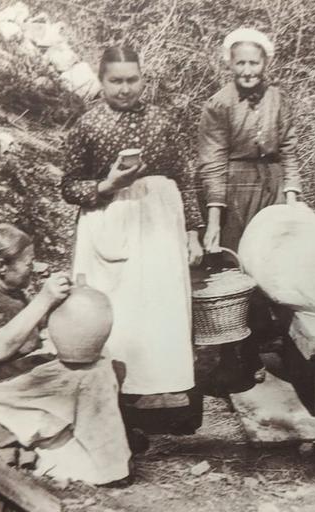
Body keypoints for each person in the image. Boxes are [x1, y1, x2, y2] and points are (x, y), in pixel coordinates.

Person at [61, 46, 204, 437]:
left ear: (143, 79)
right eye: (115, 81)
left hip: (160, 222)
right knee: (116, 311)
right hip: (109, 221)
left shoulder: (163, 120)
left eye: (132, 80)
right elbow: (69, 186)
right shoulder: (88, 126)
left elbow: (184, 176)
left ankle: (164, 403)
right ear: (101, 81)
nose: (125, 89)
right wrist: (107, 185)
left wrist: (193, 231)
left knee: (161, 309)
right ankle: (114, 400)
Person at [0, 223, 131, 485]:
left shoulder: (7, 290)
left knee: (101, 359)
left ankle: (107, 444)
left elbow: (32, 331)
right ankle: (110, 468)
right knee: (89, 376)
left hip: (6, 379)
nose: (34, 267)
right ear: (1, 266)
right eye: (28, 262)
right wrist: (45, 299)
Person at [196, 27, 302, 391]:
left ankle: (275, 343)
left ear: (266, 63)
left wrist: (291, 195)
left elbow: (288, 147)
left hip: (271, 186)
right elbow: (212, 163)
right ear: (229, 63)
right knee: (236, 270)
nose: (247, 70)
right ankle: (237, 357)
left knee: (276, 265)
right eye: (240, 62)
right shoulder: (218, 105)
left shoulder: (279, 99)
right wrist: (213, 219)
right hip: (233, 191)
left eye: (253, 62)